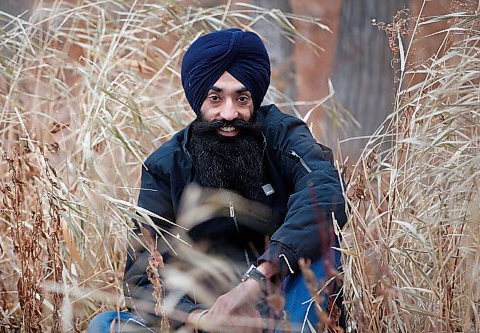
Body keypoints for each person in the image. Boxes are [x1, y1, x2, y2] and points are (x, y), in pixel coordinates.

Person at [88, 28, 347, 333]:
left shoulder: (283, 136)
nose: (229, 113)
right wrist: (202, 318)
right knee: (105, 326)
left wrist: (256, 280)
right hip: (208, 315)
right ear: (198, 100)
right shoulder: (167, 166)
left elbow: (326, 194)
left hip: (283, 303)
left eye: (241, 98)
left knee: (322, 243)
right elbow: (143, 276)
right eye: (215, 98)